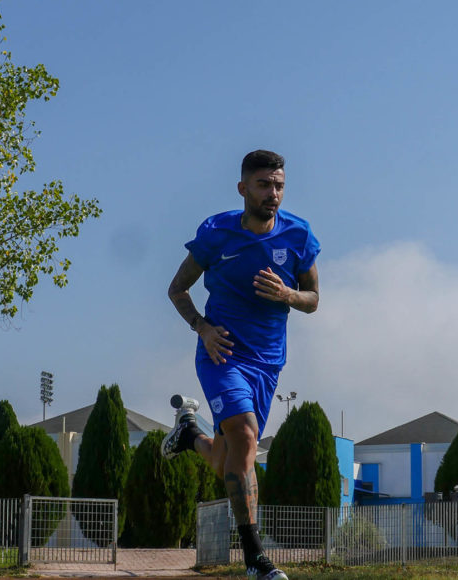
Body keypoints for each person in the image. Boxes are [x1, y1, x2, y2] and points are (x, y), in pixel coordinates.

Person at [163, 149, 319, 580]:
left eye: (279, 185)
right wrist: (201, 328)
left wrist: (288, 295)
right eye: (264, 185)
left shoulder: (299, 235)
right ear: (243, 188)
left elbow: (313, 299)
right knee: (247, 437)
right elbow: (177, 289)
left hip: (268, 363)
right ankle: (255, 558)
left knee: (230, 458)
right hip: (223, 353)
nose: (273, 193)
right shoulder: (217, 233)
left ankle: (189, 435)